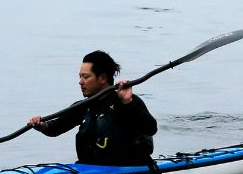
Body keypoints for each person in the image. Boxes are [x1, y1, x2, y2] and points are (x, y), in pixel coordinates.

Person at [28, 50, 159, 167]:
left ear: (102, 78)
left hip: (128, 168)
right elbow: (55, 128)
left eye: (86, 77)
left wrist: (128, 103)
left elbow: (151, 128)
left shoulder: (127, 101)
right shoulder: (83, 106)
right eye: (80, 76)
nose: (80, 81)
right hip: (90, 168)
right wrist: (41, 125)